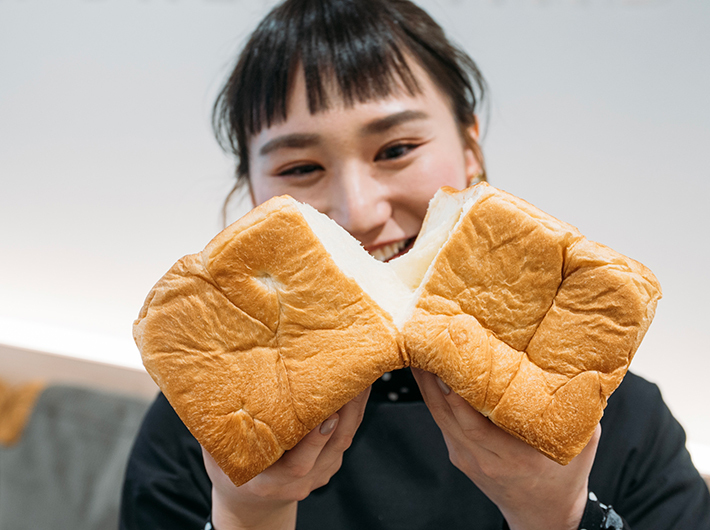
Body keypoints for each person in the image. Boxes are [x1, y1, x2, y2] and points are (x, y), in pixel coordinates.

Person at [119, 1, 710, 529]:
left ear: (470, 149)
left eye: (396, 150)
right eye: (300, 167)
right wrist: (248, 515)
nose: (360, 211)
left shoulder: (619, 417)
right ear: (254, 196)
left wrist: (554, 516)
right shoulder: (205, 424)